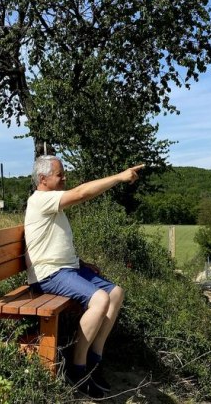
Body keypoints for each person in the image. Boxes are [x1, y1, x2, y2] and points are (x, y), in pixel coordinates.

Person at [24, 155, 144, 398]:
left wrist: (81, 263)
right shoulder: (40, 200)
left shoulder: (51, 201)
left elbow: (51, 242)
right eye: (60, 174)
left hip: (67, 268)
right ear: (43, 179)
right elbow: (81, 194)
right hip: (48, 275)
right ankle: (76, 369)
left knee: (115, 293)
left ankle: (94, 359)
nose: (65, 178)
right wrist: (120, 177)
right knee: (100, 299)